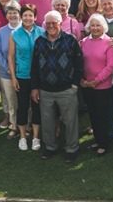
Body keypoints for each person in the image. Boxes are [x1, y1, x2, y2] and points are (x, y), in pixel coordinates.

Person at [31, 11, 84, 163]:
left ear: (61, 24)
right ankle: (50, 147)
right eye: (48, 23)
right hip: (45, 89)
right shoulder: (39, 41)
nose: (51, 26)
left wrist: (74, 85)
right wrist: (35, 88)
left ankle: (72, 149)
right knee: (47, 121)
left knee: (70, 121)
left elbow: (79, 64)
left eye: (54, 23)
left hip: (67, 89)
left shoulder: (70, 40)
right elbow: (34, 67)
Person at [80, 14, 113, 156]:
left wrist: (97, 80)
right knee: (93, 114)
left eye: (98, 25)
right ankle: (98, 139)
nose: (95, 28)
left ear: (103, 27)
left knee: (103, 115)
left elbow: (111, 66)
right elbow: (80, 62)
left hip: (102, 86)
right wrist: (83, 80)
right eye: (92, 25)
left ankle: (104, 143)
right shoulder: (83, 42)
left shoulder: (109, 43)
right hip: (87, 85)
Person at [9, 4, 44, 151]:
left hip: (38, 77)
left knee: (37, 107)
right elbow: (10, 57)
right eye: (25, 15)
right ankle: (23, 137)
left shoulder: (42, 32)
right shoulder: (15, 34)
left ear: (35, 17)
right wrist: (13, 77)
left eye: (31, 15)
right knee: (22, 107)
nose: (28, 18)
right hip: (22, 76)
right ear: (21, 17)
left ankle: (36, 137)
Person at [0, 1, 21, 137]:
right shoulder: (2, 31)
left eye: (15, 12)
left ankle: (26, 126)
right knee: (11, 101)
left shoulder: (25, 29)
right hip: (6, 73)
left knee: (24, 101)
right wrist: (8, 68)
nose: (12, 15)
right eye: (10, 13)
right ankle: (14, 125)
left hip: (23, 73)